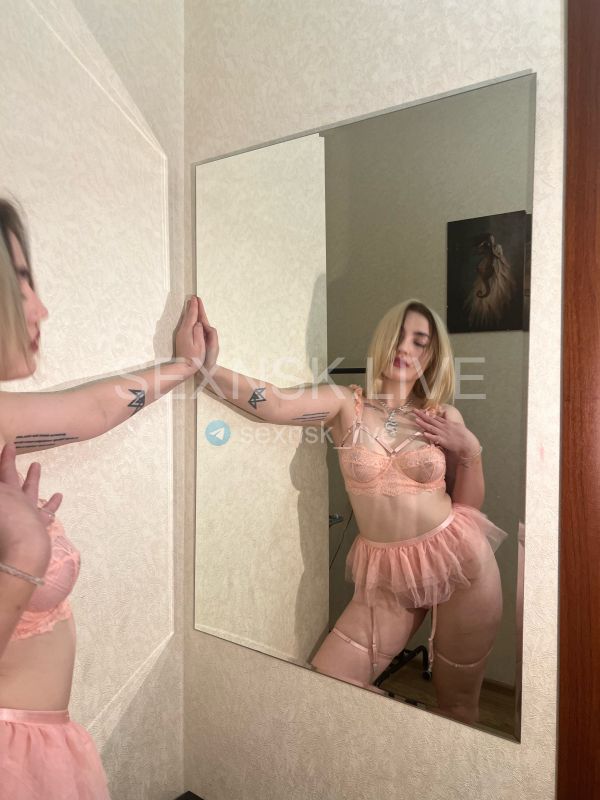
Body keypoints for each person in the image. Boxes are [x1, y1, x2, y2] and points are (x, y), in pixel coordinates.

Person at [196, 296, 506, 724]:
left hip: (463, 562)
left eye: (419, 342)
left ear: (432, 355)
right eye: (399, 336)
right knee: (329, 681)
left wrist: (471, 450)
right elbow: (276, 403)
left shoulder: (442, 416)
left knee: (457, 709)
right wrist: (207, 370)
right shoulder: (346, 405)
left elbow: (469, 507)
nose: (405, 348)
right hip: (389, 571)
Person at [0, 198, 206, 798]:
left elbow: (90, 411)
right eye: (20, 283)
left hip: (38, 752)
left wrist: (184, 366)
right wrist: (24, 550)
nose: (41, 307)